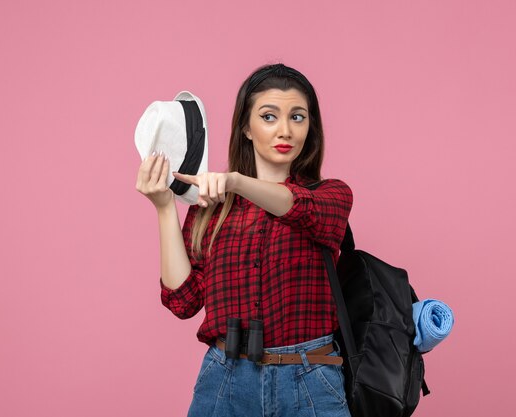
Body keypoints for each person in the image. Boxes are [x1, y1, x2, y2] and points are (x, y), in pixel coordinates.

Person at [136, 63, 354, 417]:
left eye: (297, 117)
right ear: (246, 128)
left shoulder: (331, 196)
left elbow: (295, 206)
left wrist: (235, 181)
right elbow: (183, 301)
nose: (285, 130)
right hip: (225, 380)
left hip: (310, 379)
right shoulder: (213, 207)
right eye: (269, 117)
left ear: (310, 127)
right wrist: (165, 208)